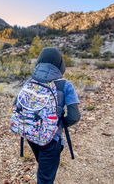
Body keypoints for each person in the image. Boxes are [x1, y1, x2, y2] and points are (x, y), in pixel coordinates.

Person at [27, 47, 81, 184]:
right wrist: (58, 124)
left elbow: (17, 105)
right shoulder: (65, 85)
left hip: (30, 134)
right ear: (60, 64)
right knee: (45, 177)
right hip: (51, 138)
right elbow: (74, 116)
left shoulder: (30, 82)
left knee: (43, 165)